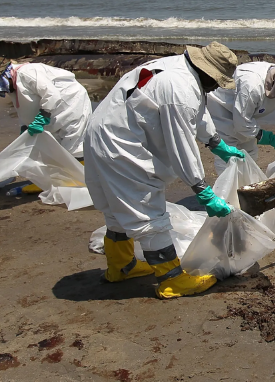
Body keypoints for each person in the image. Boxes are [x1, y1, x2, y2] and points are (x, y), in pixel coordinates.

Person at [83, 42, 245, 299]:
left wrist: (216, 143)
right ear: (205, 71)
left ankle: (121, 266)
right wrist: (202, 190)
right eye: (216, 81)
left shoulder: (180, 69)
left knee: (117, 208)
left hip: (102, 132)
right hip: (122, 146)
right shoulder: (180, 89)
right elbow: (181, 146)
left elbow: (197, 112)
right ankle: (172, 281)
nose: (216, 87)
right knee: (148, 211)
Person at [0, 61, 93, 192]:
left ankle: (81, 178)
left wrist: (43, 117)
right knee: (53, 146)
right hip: (54, 109)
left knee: (72, 145)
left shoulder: (27, 72)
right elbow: (23, 106)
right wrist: (25, 126)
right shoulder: (12, 83)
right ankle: (55, 179)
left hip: (71, 102)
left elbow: (51, 94)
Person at [205, 62, 275, 174]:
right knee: (228, 157)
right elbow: (242, 123)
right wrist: (270, 138)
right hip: (222, 107)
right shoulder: (251, 86)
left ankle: (246, 186)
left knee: (249, 151)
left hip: (243, 110)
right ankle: (228, 189)